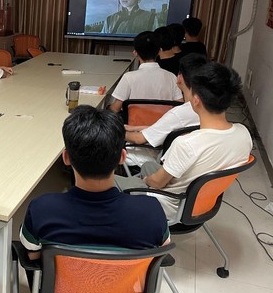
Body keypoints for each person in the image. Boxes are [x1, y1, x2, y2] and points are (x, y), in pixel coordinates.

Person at [20, 106, 169, 263]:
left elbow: (33, 256)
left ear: (66, 158)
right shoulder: (151, 211)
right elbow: (162, 254)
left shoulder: (42, 209)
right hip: (129, 280)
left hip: (64, 280)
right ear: (122, 157)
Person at [115, 62, 253, 221]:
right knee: (148, 166)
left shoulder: (186, 144)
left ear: (196, 100)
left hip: (167, 207)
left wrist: (145, 181)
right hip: (201, 204)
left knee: (105, 180)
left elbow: (157, 183)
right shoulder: (244, 134)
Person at [124, 53, 207, 167]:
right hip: (190, 160)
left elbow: (138, 139)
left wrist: (117, 131)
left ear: (180, 79)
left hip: (158, 157)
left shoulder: (177, 114)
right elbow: (168, 129)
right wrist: (134, 128)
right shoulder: (206, 108)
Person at [109, 31, 183, 113]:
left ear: (135, 52)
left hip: (134, 121)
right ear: (159, 51)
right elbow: (180, 105)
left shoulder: (128, 77)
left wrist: (108, 107)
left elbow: (115, 109)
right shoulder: (171, 77)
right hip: (164, 121)